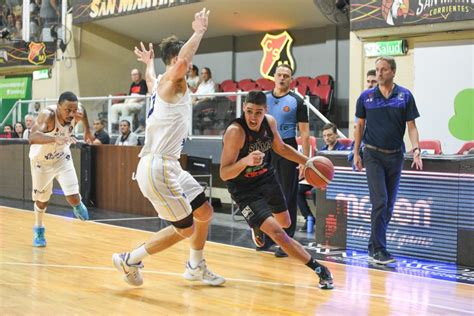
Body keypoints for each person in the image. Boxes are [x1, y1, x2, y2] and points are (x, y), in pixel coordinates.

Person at [112, 8, 225, 287]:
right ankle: (131, 259)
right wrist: (198, 31)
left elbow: (150, 78)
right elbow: (184, 60)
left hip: (170, 164)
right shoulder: (173, 81)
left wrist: (148, 63)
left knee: (204, 212)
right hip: (157, 166)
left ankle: (195, 266)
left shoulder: (159, 84)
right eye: (184, 62)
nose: (191, 65)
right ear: (175, 62)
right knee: (184, 228)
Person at [220, 90, 334, 289]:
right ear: (243, 109)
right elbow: (224, 173)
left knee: (285, 222)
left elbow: (280, 148)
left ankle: (257, 225)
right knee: (279, 235)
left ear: (265, 111)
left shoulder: (270, 122)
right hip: (243, 188)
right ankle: (319, 269)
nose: (253, 118)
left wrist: (307, 163)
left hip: (266, 177)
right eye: (249, 112)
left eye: (258, 112)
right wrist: (246, 161)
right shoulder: (235, 132)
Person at [353, 56, 423, 265]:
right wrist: (356, 153)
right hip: (372, 154)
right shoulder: (365, 97)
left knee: (389, 206)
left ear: (392, 72)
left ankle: (373, 247)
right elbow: (359, 126)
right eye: (377, 70)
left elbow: (411, 126)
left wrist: (416, 148)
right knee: (380, 201)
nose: (379, 73)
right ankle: (379, 249)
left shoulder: (405, 96)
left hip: (395, 155)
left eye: (383, 70)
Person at [28, 91, 93, 247]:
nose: (72, 114)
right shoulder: (48, 116)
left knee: (74, 198)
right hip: (41, 162)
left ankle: (77, 205)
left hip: (62, 157)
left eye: (74, 110)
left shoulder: (77, 111)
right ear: (58, 107)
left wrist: (87, 130)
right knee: (42, 201)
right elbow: (32, 138)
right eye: (67, 110)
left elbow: (83, 114)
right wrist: (54, 138)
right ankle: (39, 228)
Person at [265, 64, 309, 257]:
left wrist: (304, 161)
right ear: (274, 77)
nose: (282, 78)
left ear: (291, 80)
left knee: (287, 194)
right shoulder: (263, 99)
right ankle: (267, 236)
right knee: (265, 191)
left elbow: (305, 133)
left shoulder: (297, 101)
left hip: (287, 148)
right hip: (265, 147)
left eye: (286, 76)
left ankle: (286, 240)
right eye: (279, 75)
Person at [298, 123, 347, 232]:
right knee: (298, 188)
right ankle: (308, 217)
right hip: (321, 179)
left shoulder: (343, 150)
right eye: (324, 136)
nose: (327, 138)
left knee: (316, 191)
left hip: (335, 181)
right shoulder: (321, 150)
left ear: (336, 135)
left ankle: (323, 219)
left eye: (329, 135)